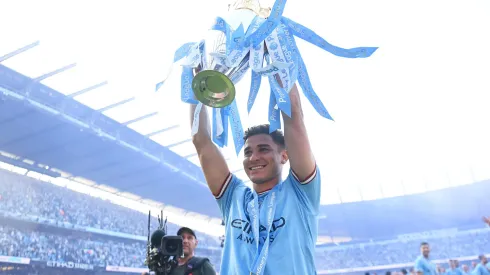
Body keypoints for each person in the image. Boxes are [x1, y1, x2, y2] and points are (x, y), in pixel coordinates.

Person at [190, 82, 321, 274]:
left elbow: (295, 120)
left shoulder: (300, 193)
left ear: (284, 156)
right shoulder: (233, 196)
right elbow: (200, 140)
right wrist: (200, 85)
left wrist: (279, 58)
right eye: (247, 152)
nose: (253, 157)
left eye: (264, 149)